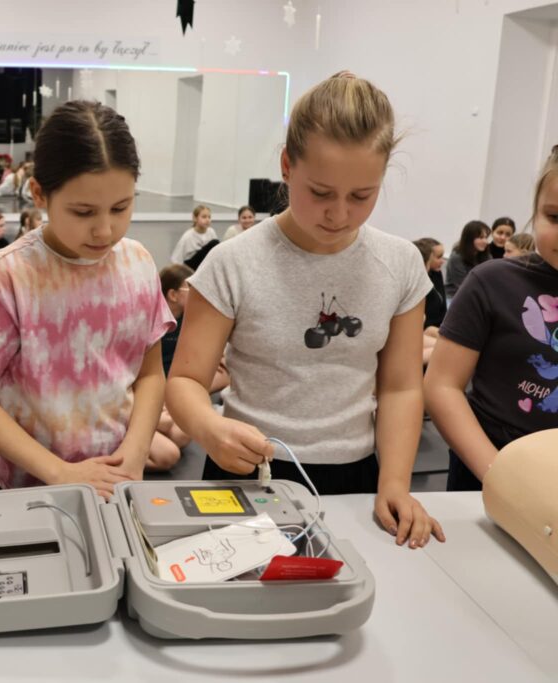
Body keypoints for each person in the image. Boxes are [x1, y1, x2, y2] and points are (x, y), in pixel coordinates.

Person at [165, 72, 444, 549]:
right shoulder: (234, 262)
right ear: (287, 167)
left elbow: (400, 387)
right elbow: (185, 380)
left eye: (362, 196)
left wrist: (396, 483)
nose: (339, 214)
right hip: (247, 470)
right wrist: (210, 428)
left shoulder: (399, 264)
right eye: (320, 192)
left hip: (355, 475)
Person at [0, 101, 175, 499]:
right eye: (83, 212)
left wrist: (136, 453)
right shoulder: (11, 275)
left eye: (121, 208)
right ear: (39, 194)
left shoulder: (138, 263)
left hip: (114, 484)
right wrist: (59, 472)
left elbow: (150, 374)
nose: (105, 230)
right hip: (29, 491)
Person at [425, 146, 558, 491]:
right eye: (555, 217)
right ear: (535, 212)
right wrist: (499, 476)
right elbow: (442, 385)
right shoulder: (491, 281)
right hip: (484, 468)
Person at [444, 220, 490, 298]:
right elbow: (463, 286)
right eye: (481, 237)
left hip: (478, 295)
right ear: (469, 238)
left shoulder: (486, 255)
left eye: (486, 237)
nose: (485, 241)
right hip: (456, 297)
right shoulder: (456, 257)